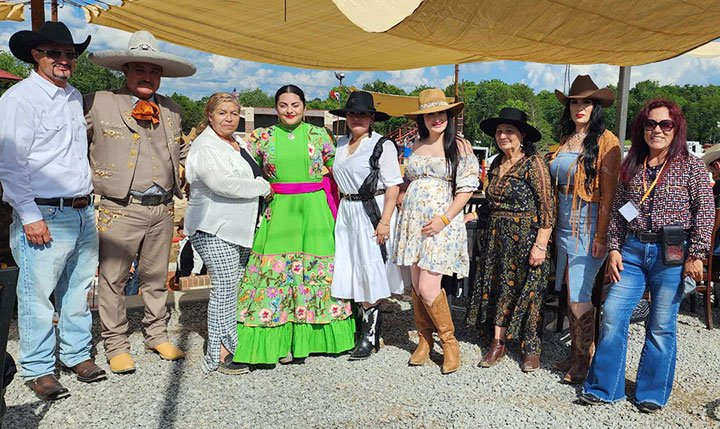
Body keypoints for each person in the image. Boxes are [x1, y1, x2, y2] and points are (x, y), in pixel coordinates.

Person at [581, 99, 714, 413]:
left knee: (661, 323)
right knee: (613, 312)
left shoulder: (691, 166)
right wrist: (613, 247)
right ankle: (605, 387)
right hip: (632, 249)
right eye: (650, 124)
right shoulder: (632, 165)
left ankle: (651, 392)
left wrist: (696, 255)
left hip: (672, 252)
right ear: (641, 129)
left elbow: (705, 213)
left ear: (675, 128)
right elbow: (617, 213)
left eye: (664, 124)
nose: (657, 129)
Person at [0, 22, 106, 401]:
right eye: (54, 53)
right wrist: (29, 215)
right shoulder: (19, 99)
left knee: (78, 289)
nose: (63, 60)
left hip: (80, 209)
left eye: (69, 54)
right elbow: (10, 163)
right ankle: (39, 368)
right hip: (45, 210)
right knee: (37, 294)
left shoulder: (73, 96)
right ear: (36, 56)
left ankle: (77, 355)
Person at [84, 30, 197, 374]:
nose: (147, 77)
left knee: (154, 277)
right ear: (125, 71)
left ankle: (156, 334)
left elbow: (183, 151)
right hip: (119, 207)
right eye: (140, 70)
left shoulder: (172, 109)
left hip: (162, 208)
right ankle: (115, 343)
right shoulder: (97, 101)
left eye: (154, 71)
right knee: (113, 278)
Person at [225, 84, 355, 372]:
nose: (289, 110)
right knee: (274, 275)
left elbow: (340, 169)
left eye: (295, 104)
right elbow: (242, 169)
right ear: (275, 108)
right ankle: (273, 342)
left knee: (316, 272)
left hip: (315, 211)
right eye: (283, 105)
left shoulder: (319, 135)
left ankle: (315, 341)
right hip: (280, 208)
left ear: (304, 107)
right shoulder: (262, 137)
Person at [184, 92, 271, 374]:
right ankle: (219, 353)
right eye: (222, 112)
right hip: (213, 226)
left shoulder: (238, 143)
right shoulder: (204, 145)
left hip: (239, 230)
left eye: (234, 113)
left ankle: (235, 341)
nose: (229, 118)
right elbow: (221, 183)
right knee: (224, 286)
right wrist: (263, 188)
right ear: (210, 115)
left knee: (236, 285)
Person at [395, 88, 479, 374]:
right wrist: (402, 194)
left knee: (430, 286)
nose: (436, 118)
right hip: (414, 223)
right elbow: (407, 180)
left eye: (441, 113)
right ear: (423, 118)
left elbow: (466, 188)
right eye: (430, 114)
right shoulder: (415, 144)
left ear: (448, 115)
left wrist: (445, 218)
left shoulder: (460, 146)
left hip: (442, 223)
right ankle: (424, 340)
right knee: (417, 285)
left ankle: (449, 342)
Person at [468, 107, 554, 373]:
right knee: (498, 289)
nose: (503, 136)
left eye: (509, 131)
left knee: (529, 291)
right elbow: (492, 204)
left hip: (527, 237)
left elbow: (547, 207)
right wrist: (471, 216)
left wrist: (541, 244)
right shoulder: (495, 163)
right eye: (499, 131)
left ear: (522, 136)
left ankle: (531, 347)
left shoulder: (533, 163)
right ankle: (498, 342)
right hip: (496, 238)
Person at [549, 75, 621, 383]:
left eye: (586, 102)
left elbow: (609, 195)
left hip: (588, 224)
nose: (579, 107)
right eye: (574, 102)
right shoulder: (564, 141)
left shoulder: (608, 142)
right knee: (569, 290)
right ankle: (578, 350)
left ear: (596, 107)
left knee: (579, 293)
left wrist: (602, 236)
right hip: (562, 223)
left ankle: (583, 359)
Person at [329, 91, 403, 359]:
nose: (357, 118)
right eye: (352, 113)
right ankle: (361, 329)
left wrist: (385, 221)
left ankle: (370, 336)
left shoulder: (382, 145)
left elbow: (394, 185)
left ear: (371, 117)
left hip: (371, 210)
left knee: (369, 267)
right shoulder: (340, 144)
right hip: (347, 211)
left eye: (362, 114)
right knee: (351, 267)